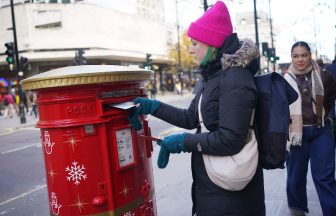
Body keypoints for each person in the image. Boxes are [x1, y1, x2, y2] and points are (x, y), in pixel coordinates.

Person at [129, 1, 265, 215]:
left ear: (212, 43)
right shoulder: (212, 76)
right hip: (211, 183)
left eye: (195, 43)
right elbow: (191, 118)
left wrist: (184, 142)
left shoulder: (235, 77)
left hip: (233, 195)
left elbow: (230, 139)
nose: (191, 49)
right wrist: (152, 106)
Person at [284, 41, 336, 216]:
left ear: (310, 55)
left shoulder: (324, 76)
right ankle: (297, 210)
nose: (300, 59)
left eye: (304, 55)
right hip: (297, 134)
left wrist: (322, 114)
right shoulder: (285, 81)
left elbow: (330, 101)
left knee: (325, 178)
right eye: (296, 56)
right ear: (291, 57)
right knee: (295, 178)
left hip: (321, 131)